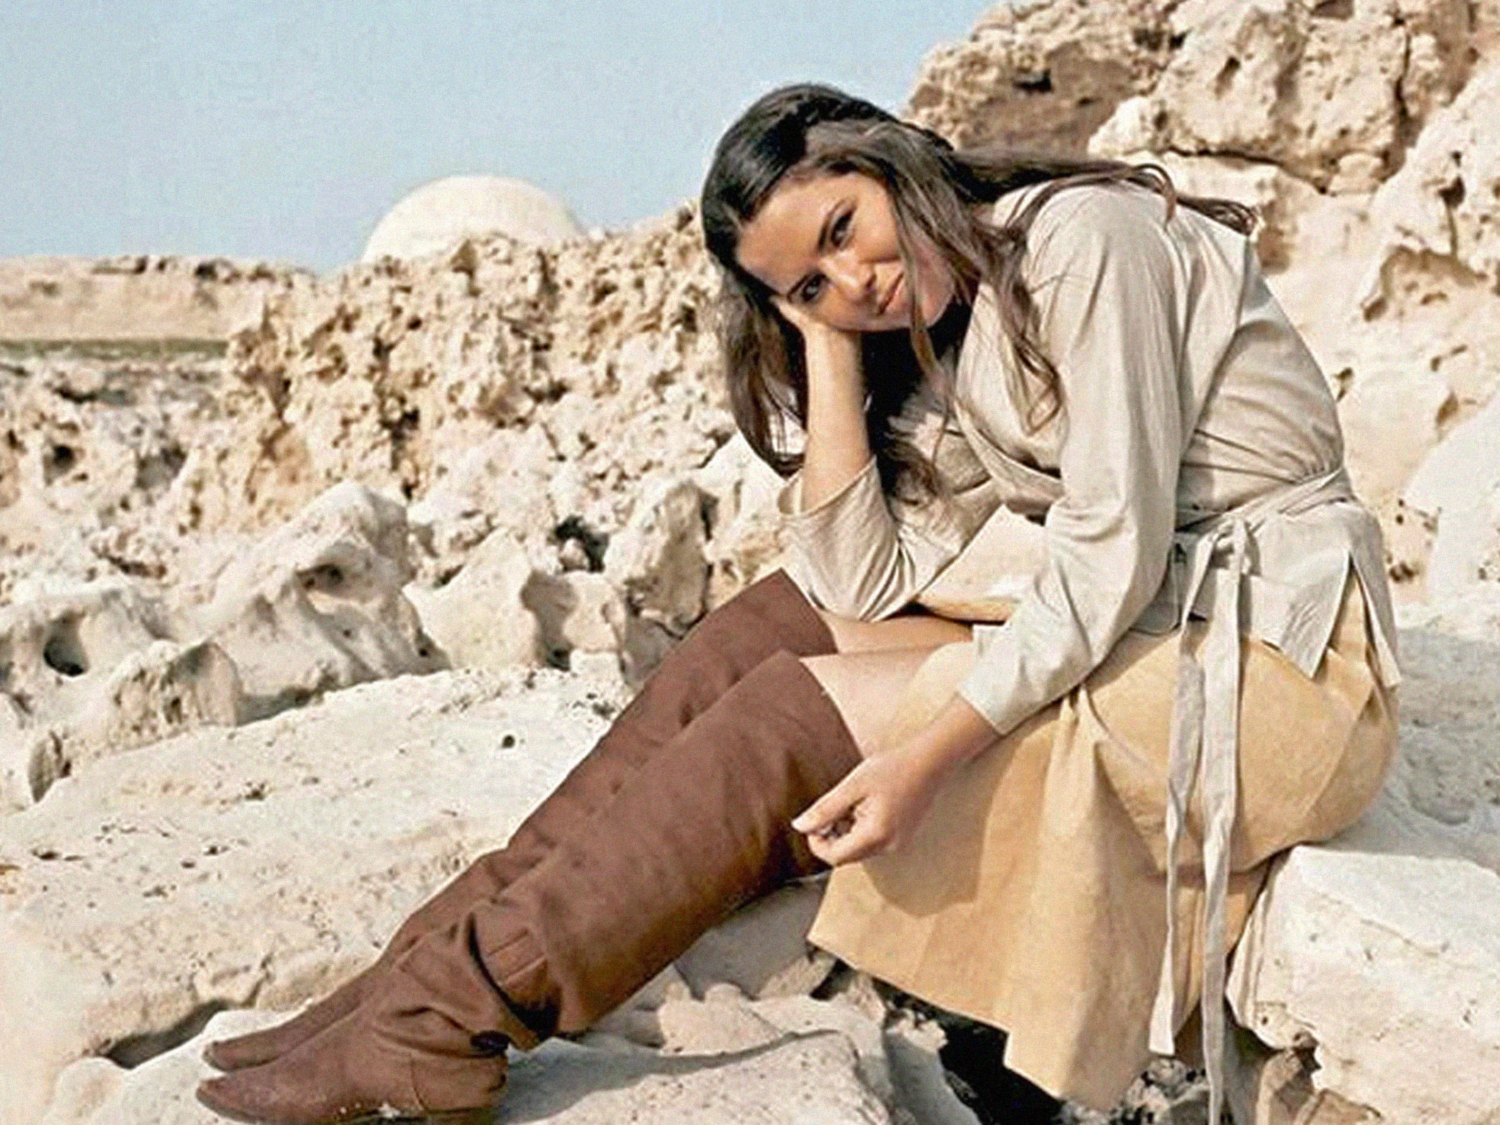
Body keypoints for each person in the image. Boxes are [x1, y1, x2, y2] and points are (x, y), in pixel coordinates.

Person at [196, 83, 1399, 1125]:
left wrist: (923, 758)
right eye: (814, 282)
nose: (858, 279)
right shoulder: (952, 326)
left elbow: (1108, 554)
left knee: (785, 717)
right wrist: (828, 345)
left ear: (890, 161)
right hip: (1167, 628)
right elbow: (851, 582)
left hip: (1278, 670)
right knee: (767, 629)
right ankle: (408, 982)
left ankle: (449, 1022)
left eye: (845, 228)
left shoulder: (1083, 244)